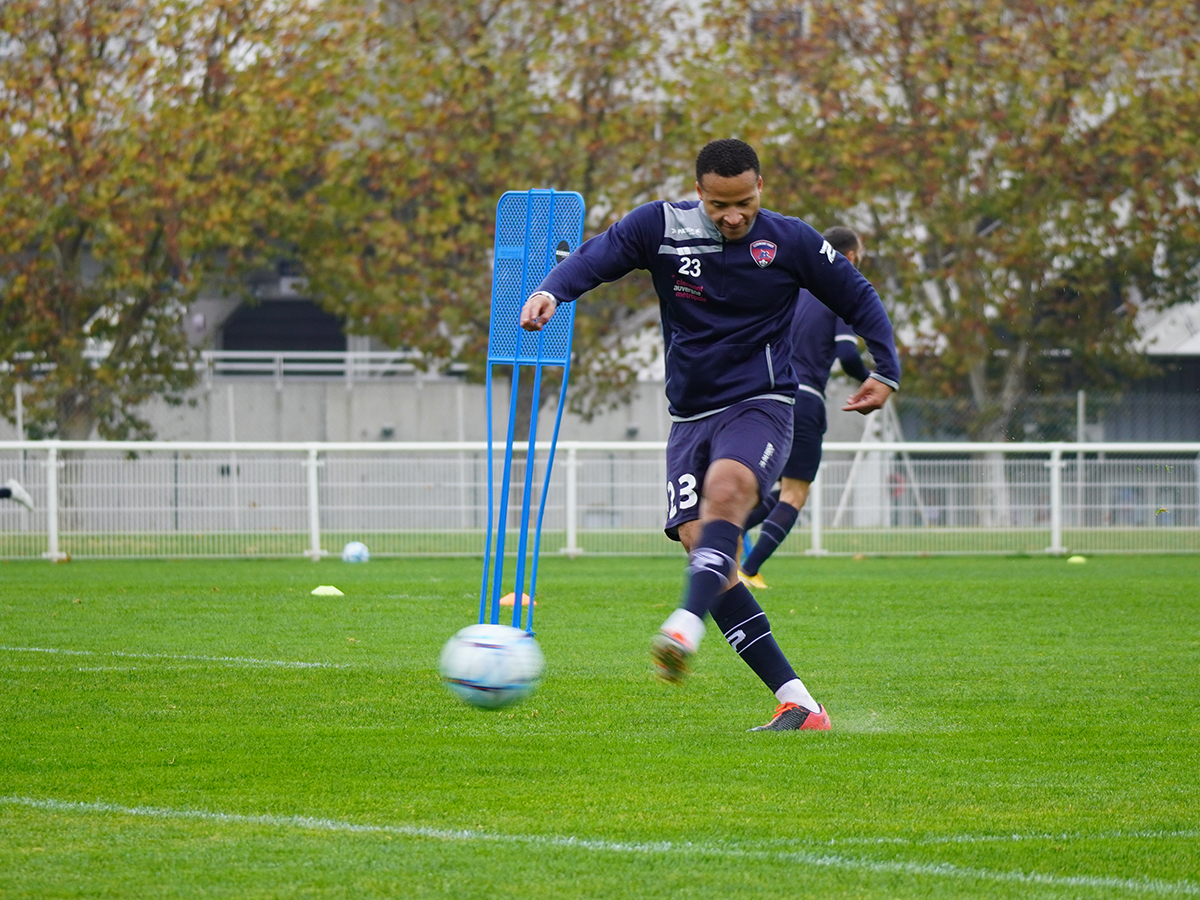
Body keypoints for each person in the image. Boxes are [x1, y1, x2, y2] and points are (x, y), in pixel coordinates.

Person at [520, 139, 900, 731]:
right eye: (721, 204)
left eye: (744, 202)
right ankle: (800, 703)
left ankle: (684, 626)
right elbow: (599, 255)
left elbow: (858, 293)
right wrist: (551, 290)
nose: (733, 216)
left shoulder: (791, 239)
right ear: (699, 191)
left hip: (762, 403)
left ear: (760, 189)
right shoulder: (660, 227)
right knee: (705, 545)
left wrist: (886, 370)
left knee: (726, 493)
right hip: (689, 417)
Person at [739, 226, 876, 589]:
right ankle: (747, 570)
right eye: (858, 259)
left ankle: (717, 537)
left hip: (768, 395)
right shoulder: (839, 294)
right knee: (795, 493)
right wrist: (870, 381)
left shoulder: (792, 288)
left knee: (779, 486)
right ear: (848, 258)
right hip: (805, 398)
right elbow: (847, 355)